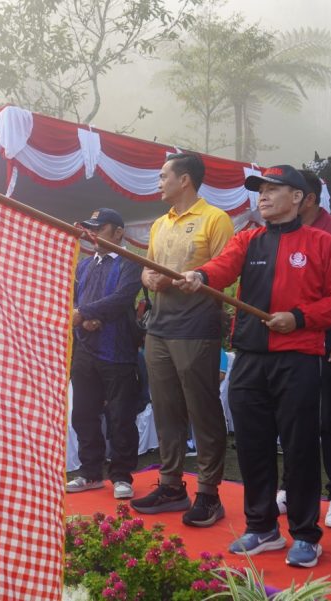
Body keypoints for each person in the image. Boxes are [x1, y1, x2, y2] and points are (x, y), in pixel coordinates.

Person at [178, 165, 331, 568]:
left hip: (300, 358)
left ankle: (306, 534)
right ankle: (261, 527)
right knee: (252, 445)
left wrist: (299, 318)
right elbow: (221, 268)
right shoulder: (249, 239)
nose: (264, 196)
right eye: (260, 190)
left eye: (274, 189)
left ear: (298, 197)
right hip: (249, 357)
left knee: (300, 447)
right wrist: (199, 275)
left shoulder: (322, 243)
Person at [132, 153, 234, 527]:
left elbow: (225, 273)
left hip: (196, 328)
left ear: (185, 179)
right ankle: (171, 485)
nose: (159, 183)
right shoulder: (160, 224)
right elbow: (148, 268)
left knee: (201, 410)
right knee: (165, 408)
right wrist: (148, 278)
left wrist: (182, 280)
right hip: (158, 328)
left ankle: (209, 492)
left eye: (164, 176)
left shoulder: (215, 219)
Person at [274, 170, 331, 529]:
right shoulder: (277, 232)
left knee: (330, 417)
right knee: (291, 416)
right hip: (288, 336)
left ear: (306, 198)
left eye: (282, 191)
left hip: (328, 335)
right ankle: (289, 486)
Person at [65, 208, 145, 500]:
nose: (93, 234)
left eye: (100, 228)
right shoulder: (84, 266)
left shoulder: (131, 263)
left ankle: (122, 475)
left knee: (120, 416)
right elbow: (72, 299)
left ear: (119, 232)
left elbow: (122, 298)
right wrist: (84, 317)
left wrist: (84, 313)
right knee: (83, 413)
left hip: (118, 350)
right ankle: (90, 472)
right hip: (85, 350)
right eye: (92, 228)